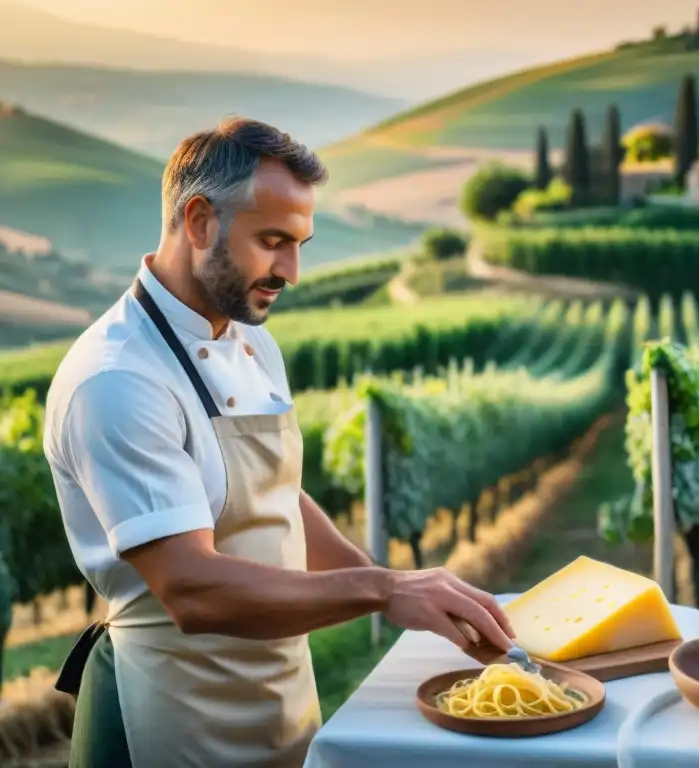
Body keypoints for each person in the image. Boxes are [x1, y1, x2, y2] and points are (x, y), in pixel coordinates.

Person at [42, 117, 516, 768]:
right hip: (171, 709)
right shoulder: (119, 377)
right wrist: (381, 591)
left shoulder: (251, 342)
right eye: (272, 242)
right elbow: (192, 590)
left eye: (300, 244)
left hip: (279, 694)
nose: (291, 270)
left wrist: (401, 586)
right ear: (200, 220)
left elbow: (278, 496)